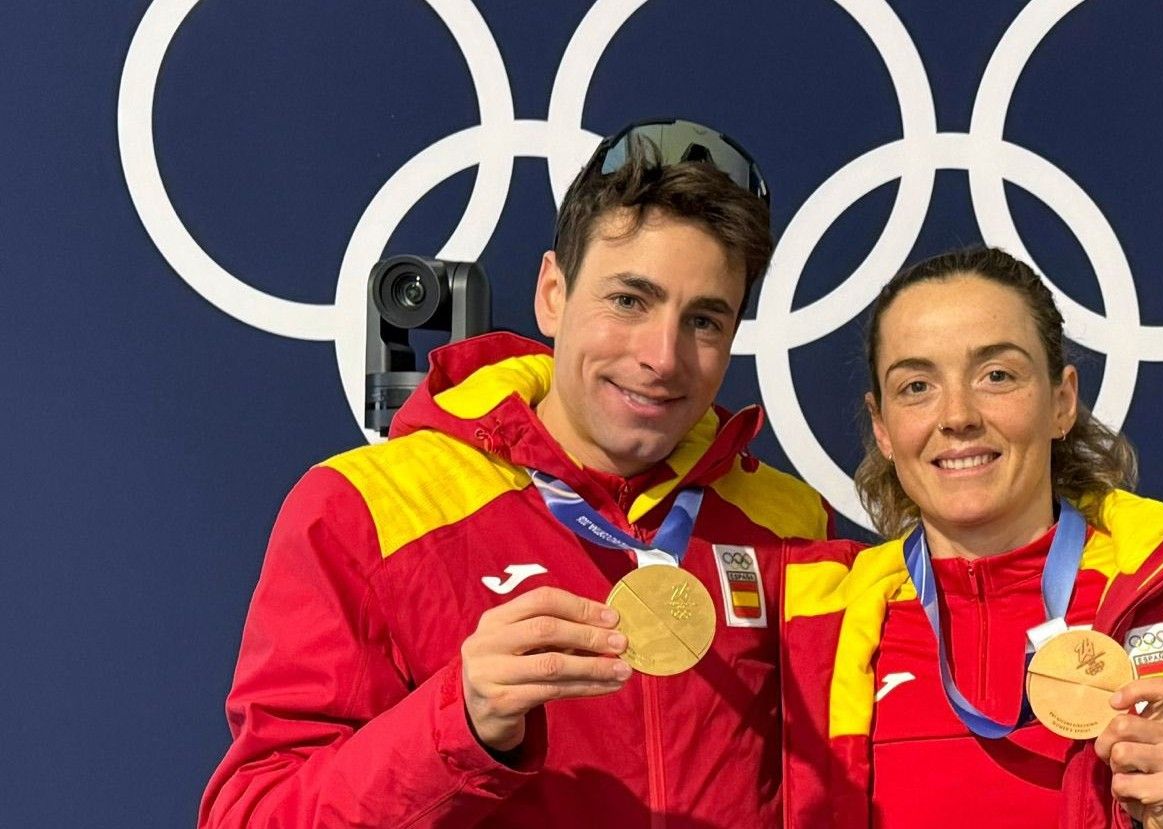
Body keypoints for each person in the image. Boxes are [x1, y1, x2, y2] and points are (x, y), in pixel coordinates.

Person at [199, 119, 834, 828]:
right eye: (629, 300)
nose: (663, 355)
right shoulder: (363, 507)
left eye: (705, 321)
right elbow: (253, 815)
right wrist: (458, 720)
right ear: (552, 293)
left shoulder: (789, 522)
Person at [781, 247, 1163, 827]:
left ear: (1061, 403)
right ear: (882, 427)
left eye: (997, 375)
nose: (956, 415)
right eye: (915, 386)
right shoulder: (815, 632)